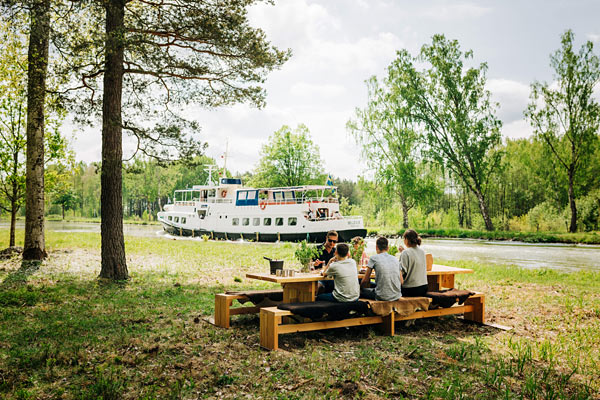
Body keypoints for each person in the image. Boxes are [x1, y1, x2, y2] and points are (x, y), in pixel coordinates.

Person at [360, 237, 403, 301]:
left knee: (362, 291)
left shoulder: (373, 258)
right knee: (374, 285)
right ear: (387, 248)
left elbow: (365, 280)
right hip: (396, 295)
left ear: (376, 247)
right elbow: (401, 282)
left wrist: (360, 287)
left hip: (381, 296)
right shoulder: (395, 259)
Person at [399, 229, 428, 297]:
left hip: (410, 289)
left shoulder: (405, 253)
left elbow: (401, 272)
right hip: (423, 288)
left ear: (406, 240)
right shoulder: (422, 251)